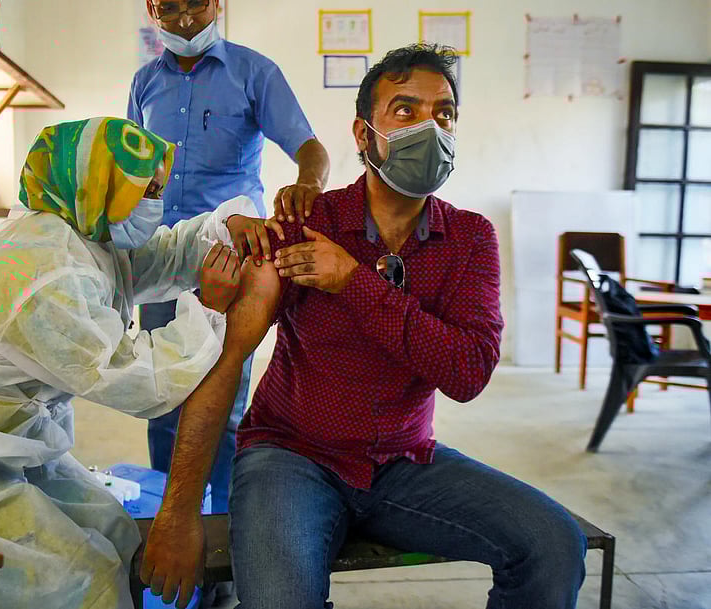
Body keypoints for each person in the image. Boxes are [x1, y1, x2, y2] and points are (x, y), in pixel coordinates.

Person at [140, 44, 588, 609]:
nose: (430, 127)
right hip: (290, 457)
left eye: (444, 113)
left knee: (553, 544)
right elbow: (225, 363)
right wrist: (179, 511)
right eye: (405, 110)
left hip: (404, 463)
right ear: (362, 133)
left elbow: (468, 371)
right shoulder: (308, 225)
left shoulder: (470, 239)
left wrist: (353, 282)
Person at [0, 117, 272, 609]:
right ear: (97, 185)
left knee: (118, 536)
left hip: (10, 439)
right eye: (144, 191)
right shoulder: (41, 272)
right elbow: (141, 380)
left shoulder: (84, 234)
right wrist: (210, 308)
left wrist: (223, 231)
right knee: (82, 580)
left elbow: (160, 256)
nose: (154, 204)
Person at [128, 0, 330, 516]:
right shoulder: (144, 82)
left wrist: (307, 185)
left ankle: (219, 527)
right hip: (161, 263)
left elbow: (310, 148)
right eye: (168, 8)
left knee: (221, 399)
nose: (185, 20)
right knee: (162, 395)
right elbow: (130, 167)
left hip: (231, 255)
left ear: (216, 4)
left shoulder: (253, 72)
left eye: (197, 4)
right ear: (152, 9)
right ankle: (168, 519)